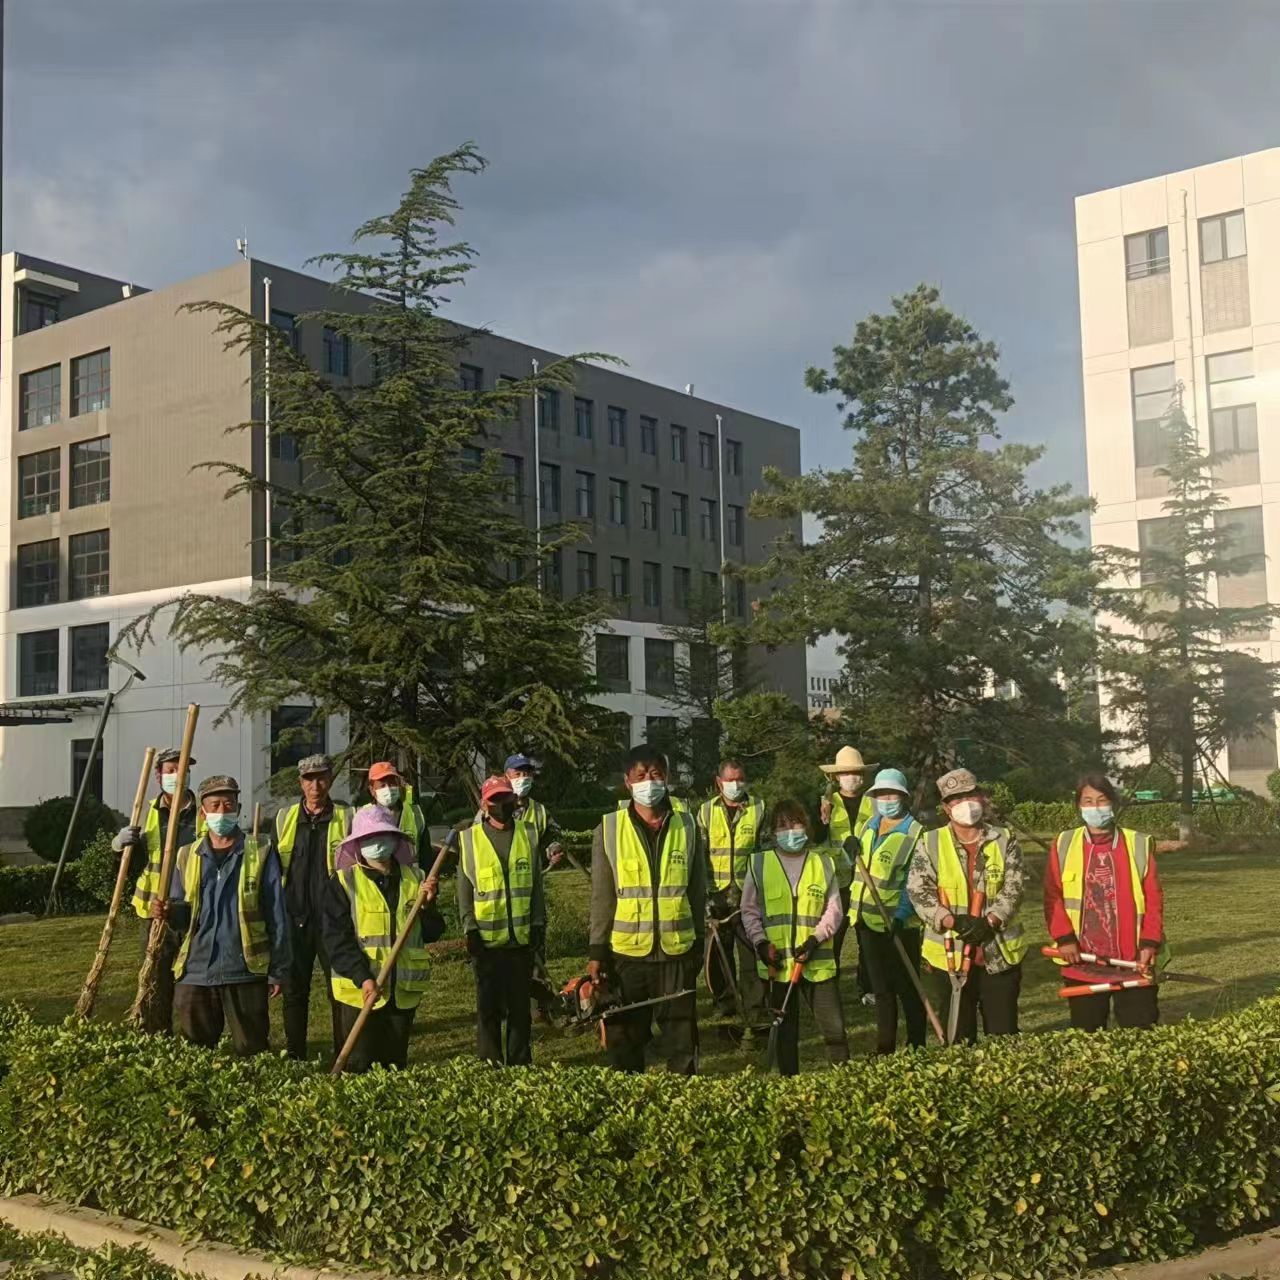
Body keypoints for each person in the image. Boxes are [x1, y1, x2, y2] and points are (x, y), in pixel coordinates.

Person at [588, 745, 706, 1074]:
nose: (648, 782)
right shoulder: (609, 829)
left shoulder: (688, 826)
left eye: (655, 774)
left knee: (682, 1041)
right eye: (640, 776)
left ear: (666, 779)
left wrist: (699, 941)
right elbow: (602, 896)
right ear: (627, 782)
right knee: (626, 1041)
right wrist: (597, 950)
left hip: (676, 951)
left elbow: (697, 890)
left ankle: (684, 1098)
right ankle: (629, 1100)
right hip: (627, 956)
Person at [153, 775, 290, 1056]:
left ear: (238, 808)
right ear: (203, 813)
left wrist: (278, 969)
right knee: (196, 1054)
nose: (222, 812)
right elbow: (182, 916)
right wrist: (168, 912)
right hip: (196, 970)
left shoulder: (260, 851)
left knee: (252, 1051)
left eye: (228, 805)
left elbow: (277, 913)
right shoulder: (186, 856)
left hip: (245, 969)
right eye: (214, 805)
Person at [907, 768, 1027, 1043]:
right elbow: (918, 890)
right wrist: (951, 920)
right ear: (946, 808)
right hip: (950, 956)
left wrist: (991, 920)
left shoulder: (1005, 839)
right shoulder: (930, 842)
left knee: (1004, 1038)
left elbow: (1015, 886)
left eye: (970, 796)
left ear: (981, 797)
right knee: (959, 1039)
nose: (965, 804)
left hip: (999, 954)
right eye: (956, 799)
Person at [322, 806, 443, 1071]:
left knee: (394, 1066)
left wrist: (427, 907)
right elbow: (336, 939)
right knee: (358, 1066)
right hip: (359, 992)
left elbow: (432, 932)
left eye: (383, 835)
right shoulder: (343, 882)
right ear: (358, 843)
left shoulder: (416, 880)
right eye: (369, 837)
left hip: (402, 991)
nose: (377, 842)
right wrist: (362, 977)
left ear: (395, 839)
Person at [1044, 773, 1165, 1031]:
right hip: (1083, 960)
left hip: (1133, 960)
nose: (1095, 807)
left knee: (1140, 1034)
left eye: (1101, 800)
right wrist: (1064, 939)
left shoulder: (1138, 843)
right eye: (1088, 801)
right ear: (1078, 806)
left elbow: (1154, 899)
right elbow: (1053, 895)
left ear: (1113, 803)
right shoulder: (1064, 843)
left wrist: (1149, 942)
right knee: (1088, 1036)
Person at [741, 799, 847, 1075]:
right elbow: (749, 910)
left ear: (807, 826)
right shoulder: (759, 863)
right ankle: (790, 1085)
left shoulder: (823, 862)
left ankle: (845, 1082)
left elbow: (834, 910)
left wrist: (815, 939)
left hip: (817, 962)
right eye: (782, 826)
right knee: (785, 1032)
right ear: (773, 832)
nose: (790, 830)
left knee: (835, 1030)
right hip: (779, 965)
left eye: (796, 823)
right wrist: (760, 943)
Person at [456, 775, 546, 1065]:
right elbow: (464, 890)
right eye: (495, 799)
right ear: (484, 804)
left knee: (520, 1009)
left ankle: (520, 1063)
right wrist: (469, 928)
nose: (502, 804)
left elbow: (536, 885)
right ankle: (490, 1062)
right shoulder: (470, 840)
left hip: (520, 939)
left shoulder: (528, 834)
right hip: (486, 943)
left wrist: (538, 923)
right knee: (488, 1009)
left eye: (506, 797)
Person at [115, 748, 203, 1035]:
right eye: (171, 770)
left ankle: (196, 1041)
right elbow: (131, 866)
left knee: (195, 984)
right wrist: (119, 846)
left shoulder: (203, 812)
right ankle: (157, 1038)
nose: (178, 775)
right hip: (155, 912)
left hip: (193, 910)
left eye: (183, 769)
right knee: (155, 982)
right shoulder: (146, 811)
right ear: (158, 775)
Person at [274, 753, 353, 1060]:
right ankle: (296, 1055)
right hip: (295, 918)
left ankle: (343, 1054)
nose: (315, 786)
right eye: (309, 779)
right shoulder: (284, 819)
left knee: (340, 990)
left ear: (330, 780)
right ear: (300, 783)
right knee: (294, 991)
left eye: (321, 778)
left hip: (334, 920)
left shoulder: (347, 817)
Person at [852, 769, 927, 1053]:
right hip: (867, 921)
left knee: (908, 988)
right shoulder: (869, 825)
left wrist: (901, 915)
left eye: (891, 794)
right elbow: (861, 867)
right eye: (881, 794)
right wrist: (850, 850)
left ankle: (917, 1044)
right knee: (881, 989)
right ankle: (885, 1048)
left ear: (903, 797)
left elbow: (914, 881)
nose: (886, 800)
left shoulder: (915, 833)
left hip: (898, 924)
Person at [696, 759, 767, 1029]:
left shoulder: (759, 808)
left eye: (740, 779)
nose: (736, 785)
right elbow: (699, 854)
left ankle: (755, 1004)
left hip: (748, 893)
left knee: (750, 951)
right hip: (716, 893)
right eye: (730, 780)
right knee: (718, 954)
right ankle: (724, 1002)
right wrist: (703, 894)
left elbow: (766, 850)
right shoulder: (706, 812)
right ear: (719, 782)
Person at [816, 744, 878, 997]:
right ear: (836, 777)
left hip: (866, 880)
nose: (852, 777)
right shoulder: (827, 803)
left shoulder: (874, 803)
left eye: (856, 772)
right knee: (834, 935)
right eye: (846, 773)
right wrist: (823, 818)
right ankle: (829, 985)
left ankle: (868, 988)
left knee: (867, 938)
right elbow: (817, 839)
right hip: (837, 881)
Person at [364, 761, 430, 868]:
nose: (388, 789)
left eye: (392, 784)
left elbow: (426, 856)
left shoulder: (415, 813)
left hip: (411, 877)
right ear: (372, 790)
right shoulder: (363, 817)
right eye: (382, 785)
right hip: (378, 877)